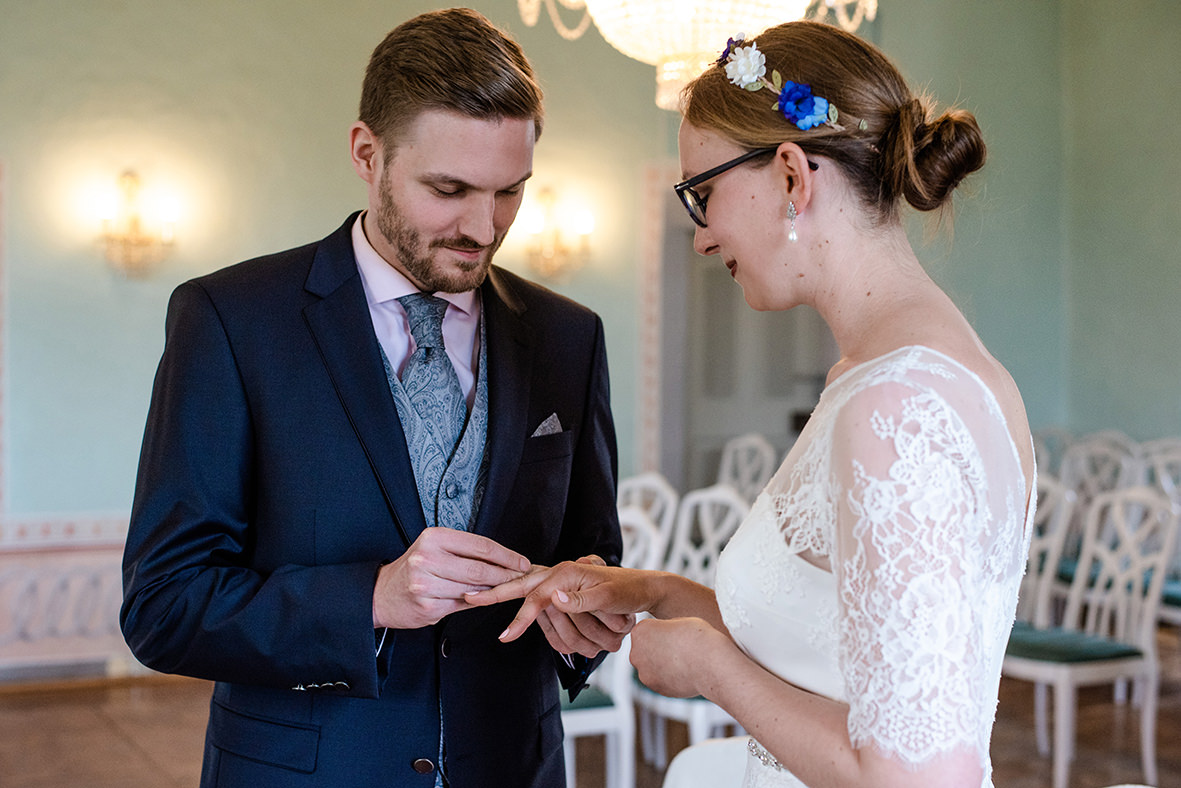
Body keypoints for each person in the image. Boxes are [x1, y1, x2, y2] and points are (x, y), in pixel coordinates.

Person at [469, 20, 1036, 788]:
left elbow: (917, 778)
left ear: (793, 176)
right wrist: (658, 592)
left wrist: (708, 666)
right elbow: (833, 633)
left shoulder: (896, 405)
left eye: (703, 195)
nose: (701, 238)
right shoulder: (913, 376)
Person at [119, 8, 627, 787]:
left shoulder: (568, 335)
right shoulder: (231, 319)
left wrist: (583, 614)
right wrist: (372, 598)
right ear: (367, 153)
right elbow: (165, 606)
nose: (483, 227)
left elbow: (594, 554)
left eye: (510, 193)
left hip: (513, 766)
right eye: (449, 189)